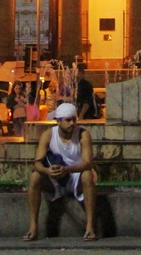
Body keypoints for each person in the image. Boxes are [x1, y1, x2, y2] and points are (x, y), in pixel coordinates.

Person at [25, 102, 98, 241]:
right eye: (68, 120)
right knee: (34, 177)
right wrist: (47, 171)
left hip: (76, 176)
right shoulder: (48, 135)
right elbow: (37, 163)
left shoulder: (83, 134)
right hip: (56, 178)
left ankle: (90, 227)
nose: (72, 123)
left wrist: (67, 169)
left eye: (74, 119)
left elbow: (88, 163)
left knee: (88, 175)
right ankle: (33, 227)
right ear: (58, 121)